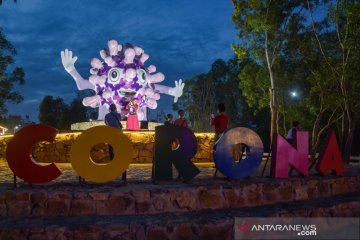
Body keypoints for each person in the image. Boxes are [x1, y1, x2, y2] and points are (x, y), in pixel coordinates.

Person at [104, 103, 126, 182]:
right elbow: (120, 120)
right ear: (115, 108)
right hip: (118, 133)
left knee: (111, 148)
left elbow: (106, 123)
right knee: (119, 148)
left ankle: (112, 161)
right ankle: (119, 162)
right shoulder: (118, 115)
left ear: (109, 108)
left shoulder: (107, 115)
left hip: (110, 133)